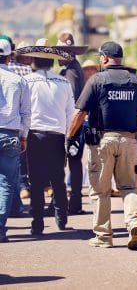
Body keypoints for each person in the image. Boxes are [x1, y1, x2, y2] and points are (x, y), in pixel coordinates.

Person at [67, 41, 137, 249]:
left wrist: (69, 135)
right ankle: (134, 223)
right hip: (129, 141)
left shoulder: (96, 80)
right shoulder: (136, 81)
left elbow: (79, 113)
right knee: (130, 186)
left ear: (105, 58)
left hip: (102, 142)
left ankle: (103, 236)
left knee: (100, 191)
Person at [16, 38, 75, 234]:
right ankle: (61, 218)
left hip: (35, 135)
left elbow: (23, 111)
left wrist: (23, 135)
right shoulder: (64, 82)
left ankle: (38, 222)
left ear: (34, 61)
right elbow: (70, 114)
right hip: (57, 136)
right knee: (58, 178)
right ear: (51, 62)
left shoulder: (27, 82)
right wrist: (68, 139)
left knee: (36, 181)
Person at [0, 37, 31, 242]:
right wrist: (24, 137)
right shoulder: (19, 80)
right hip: (10, 134)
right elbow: (26, 113)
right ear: (10, 57)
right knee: (5, 184)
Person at [56, 31, 88, 215]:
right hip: (73, 123)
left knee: (72, 163)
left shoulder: (71, 72)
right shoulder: (71, 68)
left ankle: (72, 203)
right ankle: (73, 203)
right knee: (73, 163)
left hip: (72, 124)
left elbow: (72, 101)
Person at [8, 41, 33, 201]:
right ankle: (23, 186)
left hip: (8, 120)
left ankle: (19, 190)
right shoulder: (27, 71)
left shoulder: (9, 68)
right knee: (22, 158)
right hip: (22, 121)